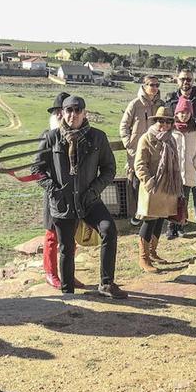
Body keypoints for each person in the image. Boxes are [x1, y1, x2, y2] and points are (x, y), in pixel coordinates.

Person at [33, 95, 127, 298]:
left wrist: (94, 190)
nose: (73, 114)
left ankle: (106, 283)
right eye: (69, 110)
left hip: (89, 199)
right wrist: (54, 190)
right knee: (66, 247)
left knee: (108, 230)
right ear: (62, 113)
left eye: (77, 110)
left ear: (84, 113)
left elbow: (109, 168)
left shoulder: (97, 137)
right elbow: (37, 170)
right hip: (63, 202)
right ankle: (68, 294)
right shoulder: (51, 138)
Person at [164, 69, 196, 236]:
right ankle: (177, 224)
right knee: (176, 193)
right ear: (177, 80)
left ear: (193, 80)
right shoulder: (170, 100)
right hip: (175, 160)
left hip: (193, 156)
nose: (186, 82)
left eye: (189, 79)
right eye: (183, 79)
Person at [133, 106, 183, 272]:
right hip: (152, 188)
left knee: (160, 219)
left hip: (167, 187)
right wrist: (149, 183)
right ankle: (143, 258)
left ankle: (153, 252)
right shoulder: (146, 138)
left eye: (168, 121)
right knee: (149, 221)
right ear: (156, 121)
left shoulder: (171, 139)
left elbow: (176, 162)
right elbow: (140, 164)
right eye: (161, 120)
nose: (165, 124)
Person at [120, 75, 163, 227]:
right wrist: (129, 144)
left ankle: (151, 211)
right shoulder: (135, 104)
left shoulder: (160, 104)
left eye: (157, 85)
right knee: (136, 182)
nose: (155, 88)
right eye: (152, 84)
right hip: (136, 150)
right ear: (144, 86)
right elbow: (124, 125)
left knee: (153, 180)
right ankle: (138, 213)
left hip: (155, 150)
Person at [168, 97, 196, 239]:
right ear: (176, 113)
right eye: (181, 112)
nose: (184, 115)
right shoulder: (171, 129)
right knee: (172, 200)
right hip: (172, 171)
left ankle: (180, 226)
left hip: (189, 171)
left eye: (187, 113)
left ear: (191, 114)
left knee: (183, 200)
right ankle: (171, 227)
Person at [41, 91, 69, 289]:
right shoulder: (47, 136)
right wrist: (52, 187)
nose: (60, 115)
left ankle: (68, 272)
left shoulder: (76, 134)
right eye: (57, 111)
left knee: (69, 235)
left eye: (63, 110)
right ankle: (51, 273)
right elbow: (38, 169)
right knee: (52, 235)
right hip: (53, 192)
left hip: (72, 192)